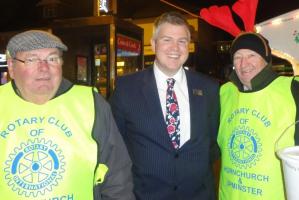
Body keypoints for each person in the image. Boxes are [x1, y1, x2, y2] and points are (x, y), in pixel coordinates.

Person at [0, 30, 135, 200]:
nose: (44, 68)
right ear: (12, 67)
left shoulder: (91, 103)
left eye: (52, 59)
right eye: (32, 59)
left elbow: (117, 176)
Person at [109, 12, 220, 200]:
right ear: (153, 44)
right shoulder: (126, 88)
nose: (175, 48)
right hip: (145, 195)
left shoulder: (209, 88)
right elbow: (116, 148)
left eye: (182, 41)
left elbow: (212, 144)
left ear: (189, 46)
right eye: (167, 39)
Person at [217, 32, 299, 200]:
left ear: (266, 60)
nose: (244, 63)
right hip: (230, 194)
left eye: (252, 55)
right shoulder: (224, 93)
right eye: (238, 57)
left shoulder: (293, 89)